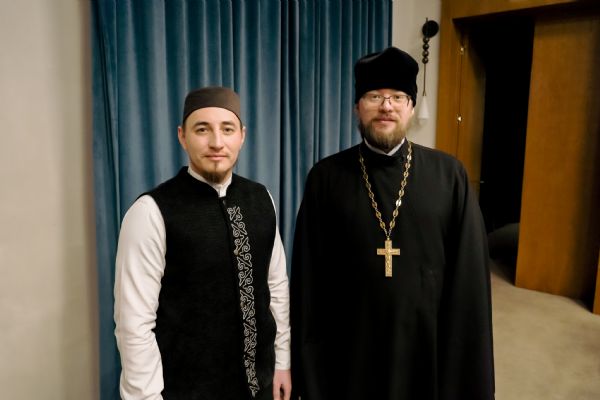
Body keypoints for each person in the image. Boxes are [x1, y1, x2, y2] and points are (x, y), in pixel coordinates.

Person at [290, 47, 494, 399]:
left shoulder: (449, 176)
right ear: (357, 107)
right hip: (349, 349)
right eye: (374, 96)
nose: (386, 106)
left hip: (425, 347)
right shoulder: (325, 177)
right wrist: (308, 366)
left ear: (411, 108)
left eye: (398, 97)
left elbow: (469, 278)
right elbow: (309, 280)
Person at [114, 86, 292, 400]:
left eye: (227, 129)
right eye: (202, 129)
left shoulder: (262, 198)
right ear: (182, 136)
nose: (216, 142)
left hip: (260, 386)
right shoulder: (151, 212)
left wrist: (282, 362)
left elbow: (275, 286)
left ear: (242, 136)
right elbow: (134, 324)